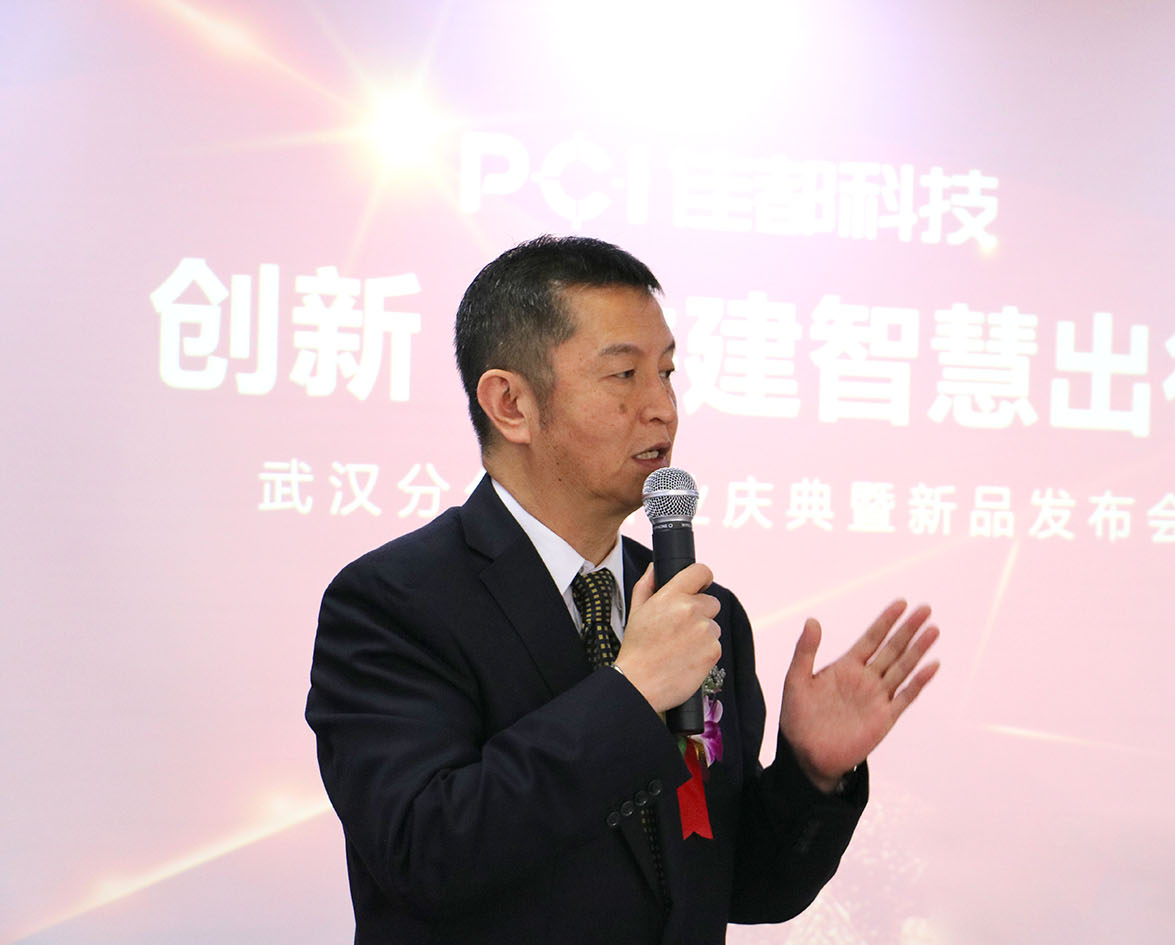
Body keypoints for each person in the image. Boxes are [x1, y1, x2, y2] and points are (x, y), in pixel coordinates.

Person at [305, 235, 940, 944]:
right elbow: (426, 852)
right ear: (510, 403)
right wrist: (631, 693)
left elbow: (741, 885)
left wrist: (810, 776)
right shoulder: (393, 602)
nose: (662, 407)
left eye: (666, 372)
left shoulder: (701, 613)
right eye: (624, 375)